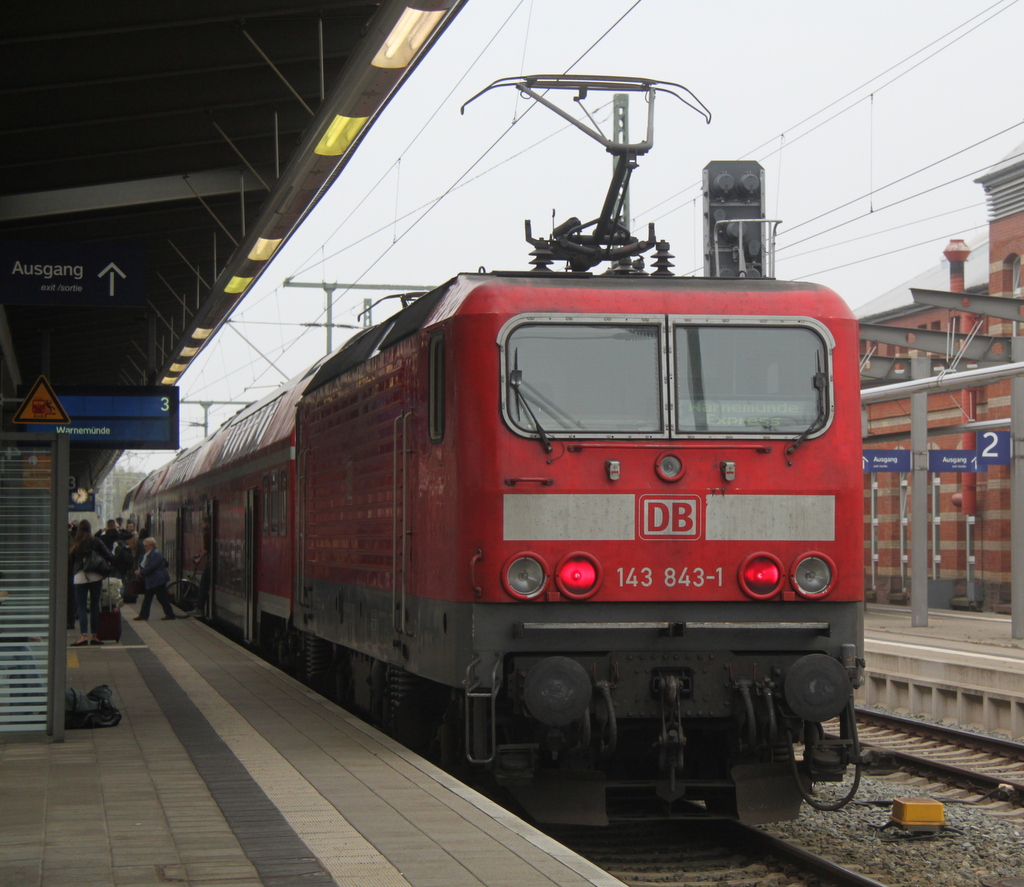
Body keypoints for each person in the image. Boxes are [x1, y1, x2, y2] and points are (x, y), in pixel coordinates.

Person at [69, 519, 114, 646]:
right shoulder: (96, 541)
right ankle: (94, 636)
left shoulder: (75, 542)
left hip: (80, 576)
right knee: (95, 607)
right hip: (95, 575)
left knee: (82, 607)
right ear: (90, 529)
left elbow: (71, 559)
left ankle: (83, 637)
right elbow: (109, 555)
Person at [133, 537, 175, 621]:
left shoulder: (155, 554)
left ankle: (170, 615)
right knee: (149, 598)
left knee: (161, 598)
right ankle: (143, 615)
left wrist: (141, 572)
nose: (144, 548)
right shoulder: (151, 554)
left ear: (150, 546)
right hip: (153, 580)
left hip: (158, 580)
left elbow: (152, 566)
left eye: (145, 546)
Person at [189, 516, 212, 617]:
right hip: (215, 562)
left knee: (203, 585)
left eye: (202, 524)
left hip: (211, 563)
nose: (202, 526)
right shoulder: (213, 531)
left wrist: (199, 559)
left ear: (207, 523)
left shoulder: (207, 533)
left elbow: (206, 550)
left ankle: (199, 609)